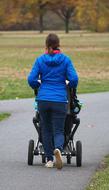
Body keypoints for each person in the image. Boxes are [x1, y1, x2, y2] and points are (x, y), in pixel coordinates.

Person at [28, 33, 78, 169]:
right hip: (60, 99)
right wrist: (67, 86)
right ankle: (58, 150)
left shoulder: (40, 60)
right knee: (58, 130)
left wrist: (39, 86)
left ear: (46, 45)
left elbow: (31, 79)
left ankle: (49, 160)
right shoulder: (66, 60)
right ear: (58, 44)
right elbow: (74, 79)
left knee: (46, 129)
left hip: (43, 99)